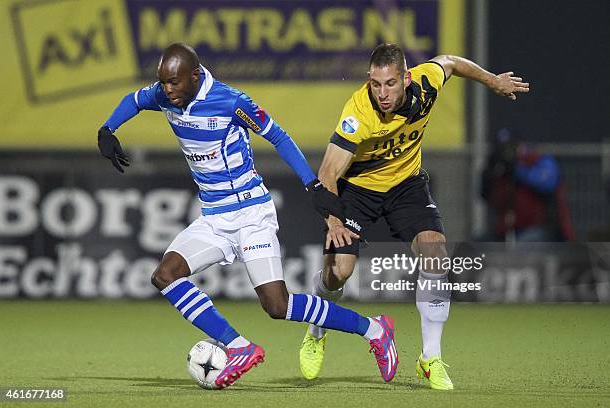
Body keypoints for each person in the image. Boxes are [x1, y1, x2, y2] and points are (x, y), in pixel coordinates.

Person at [97, 43, 398, 389]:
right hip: (214, 218)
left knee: (277, 305)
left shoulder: (230, 101)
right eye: (163, 83)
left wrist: (313, 185)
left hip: (251, 214)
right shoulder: (166, 94)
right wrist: (107, 129)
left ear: (195, 76)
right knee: (165, 275)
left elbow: (278, 136)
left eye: (174, 83)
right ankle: (238, 346)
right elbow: (134, 101)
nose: (167, 90)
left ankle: (374, 329)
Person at [299, 43, 530, 390]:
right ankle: (316, 331)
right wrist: (333, 221)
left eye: (390, 83)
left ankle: (430, 358)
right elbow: (328, 172)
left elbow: (451, 62)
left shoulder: (425, 83)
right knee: (338, 274)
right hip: (359, 191)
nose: (382, 93)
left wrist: (491, 80)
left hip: (406, 185)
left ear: (405, 78)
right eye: (376, 84)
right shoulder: (358, 112)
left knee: (435, 252)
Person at [480, 129, 573, 242]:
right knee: (477, 246)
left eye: (510, 148)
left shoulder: (537, 160)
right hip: (509, 229)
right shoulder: (500, 172)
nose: (506, 153)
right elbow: (486, 197)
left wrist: (517, 170)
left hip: (543, 228)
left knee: (521, 248)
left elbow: (547, 184)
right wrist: (488, 176)